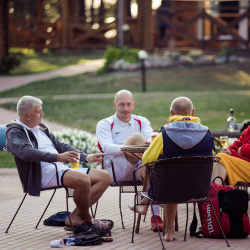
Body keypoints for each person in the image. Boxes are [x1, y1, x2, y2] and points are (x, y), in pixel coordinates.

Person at [5, 96, 112, 231]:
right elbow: (25, 153)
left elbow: (60, 146)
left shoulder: (41, 128)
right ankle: (88, 220)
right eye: (39, 112)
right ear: (27, 115)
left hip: (58, 169)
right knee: (83, 180)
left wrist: (87, 157)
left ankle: (75, 217)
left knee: (105, 176)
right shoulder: (14, 130)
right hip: (40, 173)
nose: (42, 114)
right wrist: (58, 157)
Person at [142, 96, 214, 241]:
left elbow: (146, 160)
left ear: (171, 113)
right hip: (199, 189)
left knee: (171, 178)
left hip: (167, 191)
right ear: (193, 112)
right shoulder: (206, 133)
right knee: (175, 178)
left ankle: (169, 232)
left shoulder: (164, 134)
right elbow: (211, 157)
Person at [96, 89, 163, 231]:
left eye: (128, 104)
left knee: (152, 167)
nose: (125, 109)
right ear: (114, 105)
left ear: (133, 105)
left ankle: (154, 216)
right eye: (121, 105)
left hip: (139, 165)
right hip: (114, 169)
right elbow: (107, 148)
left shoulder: (142, 121)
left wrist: (134, 151)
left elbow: (148, 147)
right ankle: (146, 207)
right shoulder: (105, 123)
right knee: (138, 138)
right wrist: (130, 148)